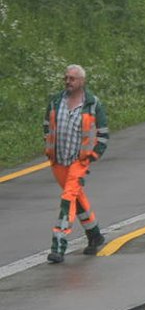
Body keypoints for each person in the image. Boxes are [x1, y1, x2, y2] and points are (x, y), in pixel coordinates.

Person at [44, 64, 108, 263]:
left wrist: (91, 157)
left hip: (79, 162)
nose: (67, 81)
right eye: (66, 78)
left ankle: (58, 246)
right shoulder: (56, 102)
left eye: (72, 78)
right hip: (58, 161)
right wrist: (49, 149)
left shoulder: (92, 104)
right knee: (76, 198)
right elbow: (47, 127)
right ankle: (95, 235)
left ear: (82, 81)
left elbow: (103, 135)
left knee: (67, 199)